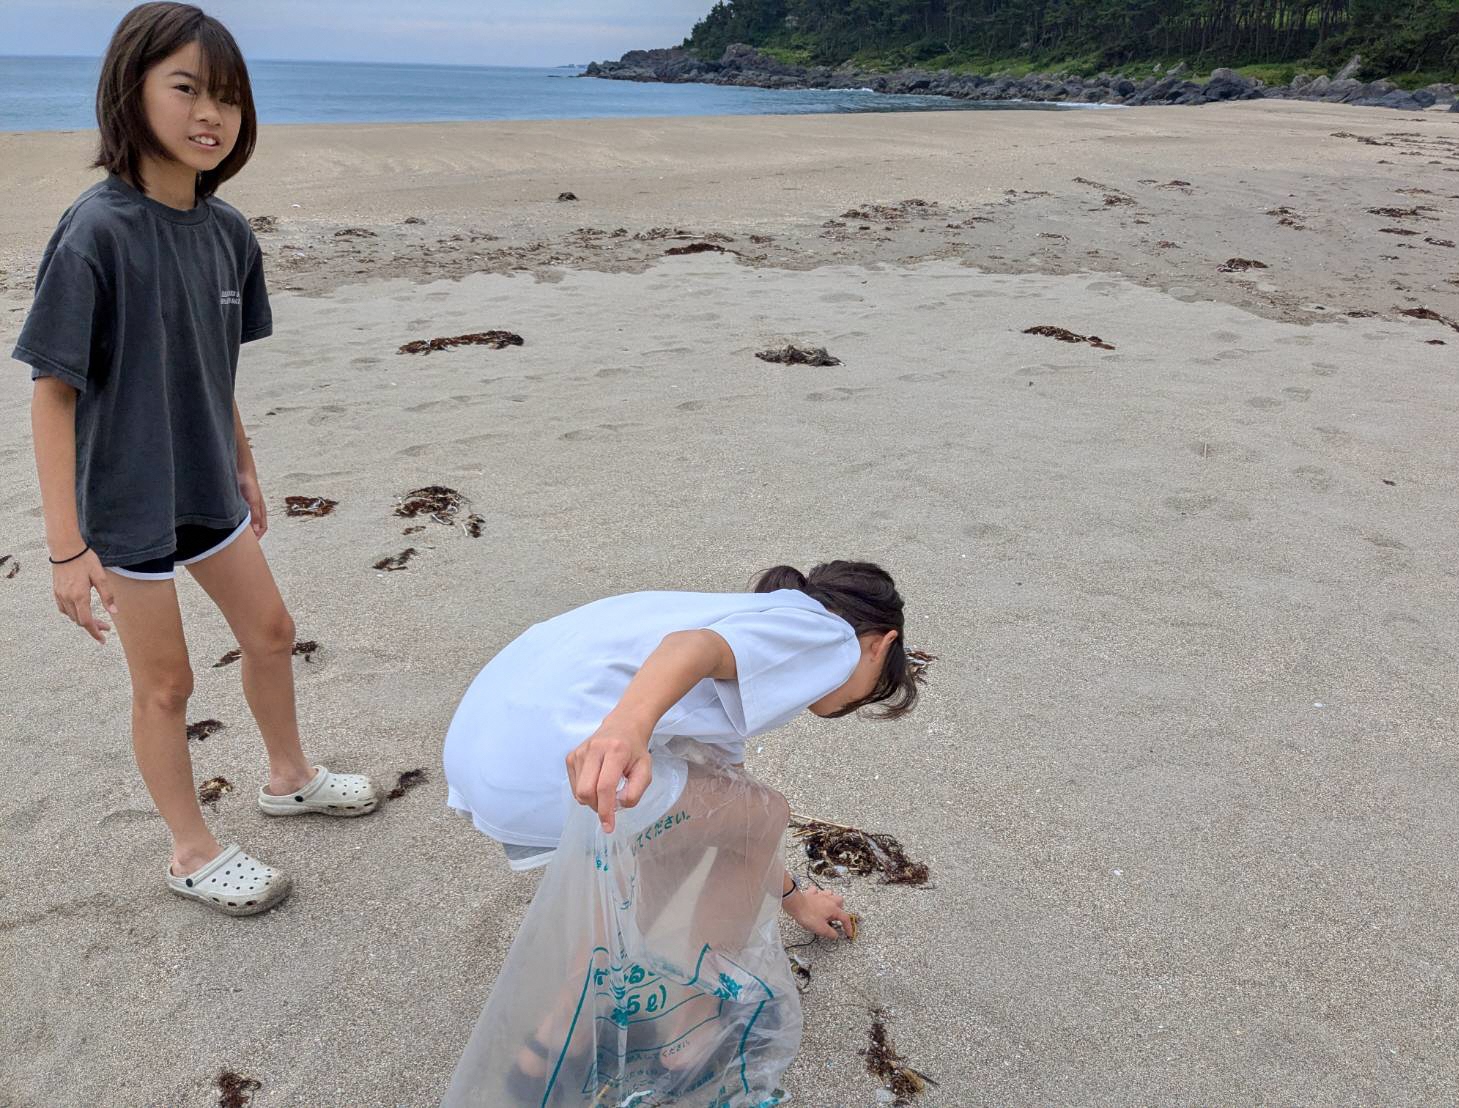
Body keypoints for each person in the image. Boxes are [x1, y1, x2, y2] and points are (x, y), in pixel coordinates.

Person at [14, 3, 377, 918]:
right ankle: (190, 850)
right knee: (167, 684)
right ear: (130, 91)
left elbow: (215, 367)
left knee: (270, 631)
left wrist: (245, 461)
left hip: (209, 480)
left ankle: (289, 776)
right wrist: (66, 550)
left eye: (228, 99)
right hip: (127, 499)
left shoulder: (228, 234)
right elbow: (51, 394)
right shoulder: (95, 230)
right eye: (186, 89)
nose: (210, 114)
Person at [441, 561, 924, 1097]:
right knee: (764, 811)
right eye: (868, 693)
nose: (849, 700)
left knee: (697, 829)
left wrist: (794, 898)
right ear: (881, 645)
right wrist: (624, 729)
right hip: (565, 755)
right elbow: (691, 647)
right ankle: (689, 1023)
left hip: (488, 753)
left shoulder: (746, 629)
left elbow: (728, 819)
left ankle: (553, 1039)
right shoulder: (827, 634)